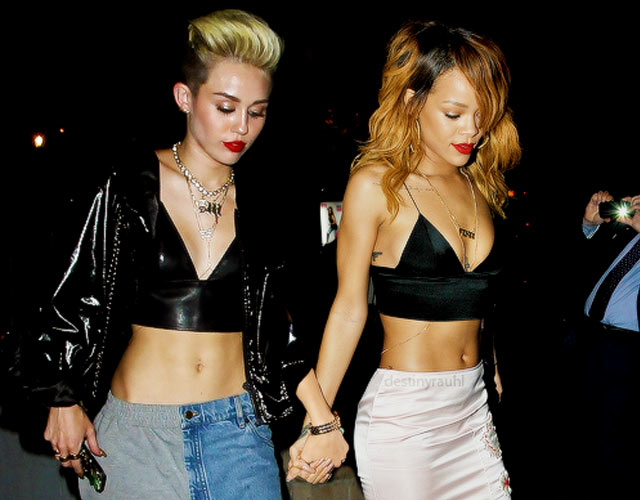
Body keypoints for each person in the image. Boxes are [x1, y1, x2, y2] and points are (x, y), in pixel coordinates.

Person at [24, 9, 346, 499]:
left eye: (257, 111)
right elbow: (72, 293)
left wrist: (323, 420)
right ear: (185, 98)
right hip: (136, 440)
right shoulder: (128, 186)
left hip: (238, 434)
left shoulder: (263, 206)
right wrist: (62, 398)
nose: (242, 126)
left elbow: (275, 331)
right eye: (226, 107)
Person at [287, 20, 520, 498]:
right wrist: (318, 420)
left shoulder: (479, 185)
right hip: (404, 418)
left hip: (473, 409)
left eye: (482, 115)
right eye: (454, 113)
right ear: (413, 102)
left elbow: (479, 299)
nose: (472, 130)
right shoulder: (376, 185)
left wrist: (491, 361)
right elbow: (349, 308)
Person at [578, 190, 639, 497]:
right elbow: (577, 260)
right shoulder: (625, 234)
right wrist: (590, 224)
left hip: (628, 346)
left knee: (616, 429)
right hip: (590, 335)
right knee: (586, 417)